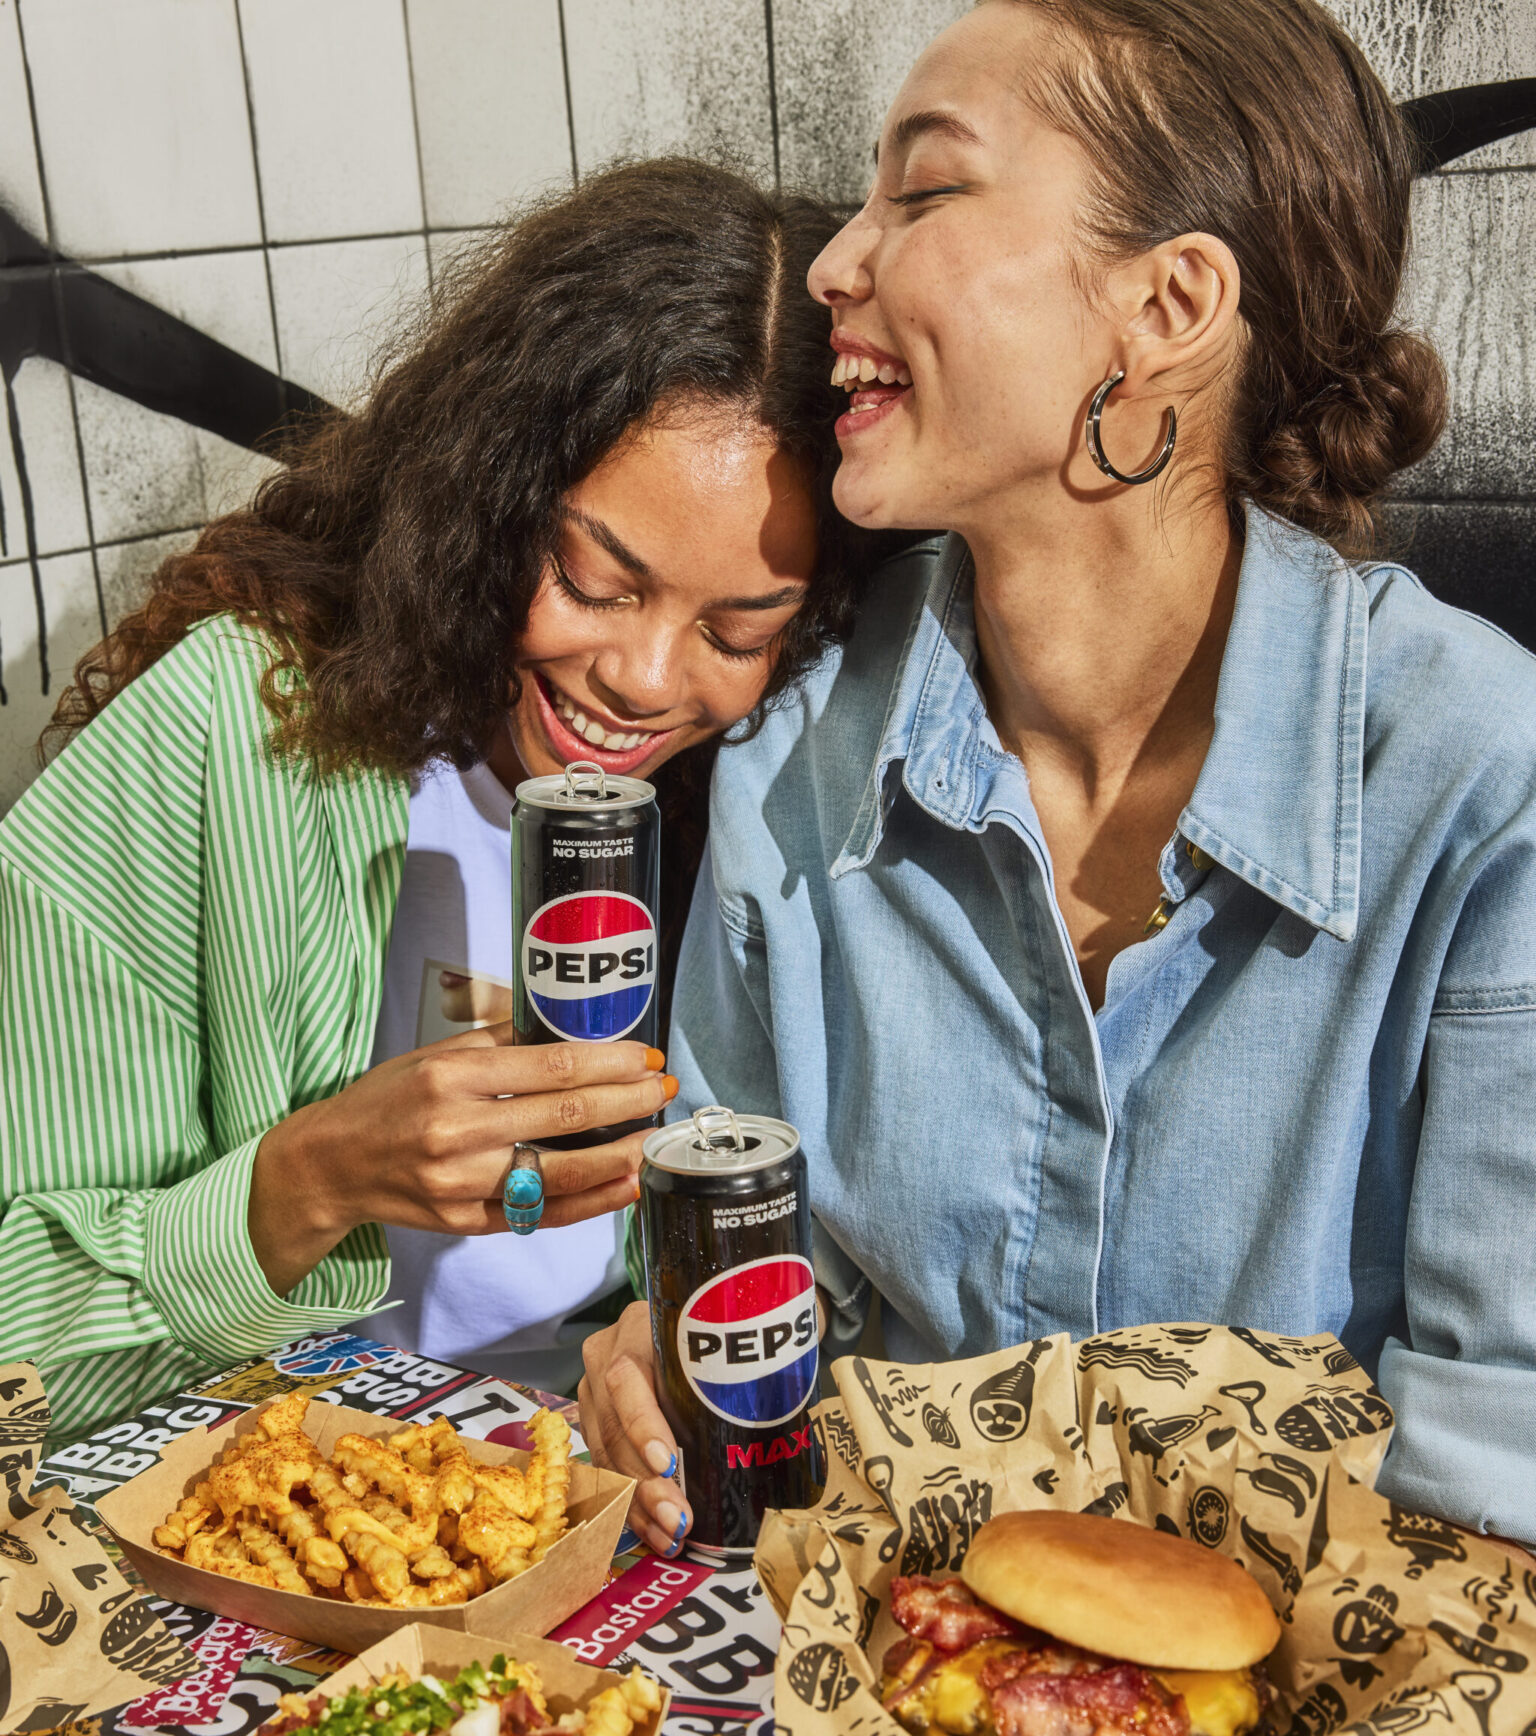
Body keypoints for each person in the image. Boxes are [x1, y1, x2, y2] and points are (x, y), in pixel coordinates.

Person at [580, 0, 1536, 1558]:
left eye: (927, 191)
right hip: (885, 1698)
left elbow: (1501, 1478)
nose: (834, 262)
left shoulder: (1482, 787)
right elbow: (755, 1318)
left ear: (1168, 304)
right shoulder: (795, 763)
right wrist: (664, 1358)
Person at [0, 159, 867, 1448]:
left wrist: (648, 1352)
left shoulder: (786, 791)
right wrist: (303, 1183)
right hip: (291, 1524)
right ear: (490, 491)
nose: (639, 679)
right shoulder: (223, 739)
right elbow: (20, 1343)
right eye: (592, 579)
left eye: (736, 635)